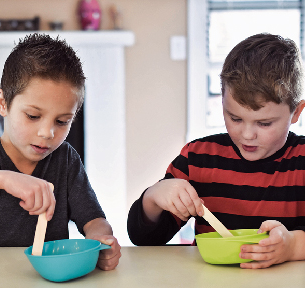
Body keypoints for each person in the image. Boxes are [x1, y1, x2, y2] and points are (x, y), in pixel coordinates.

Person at [127, 33, 305, 269]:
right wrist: (153, 199)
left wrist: (293, 246)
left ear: (296, 113)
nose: (247, 134)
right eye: (235, 118)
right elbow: (145, 240)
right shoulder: (198, 158)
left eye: (264, 123)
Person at [0, 33, 120, 270]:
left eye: (62, 121)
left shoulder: (65, 160)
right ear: (3, 103)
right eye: (33, 116)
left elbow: (94, 220)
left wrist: (101, 239)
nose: (47, 132)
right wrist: (5, 179)